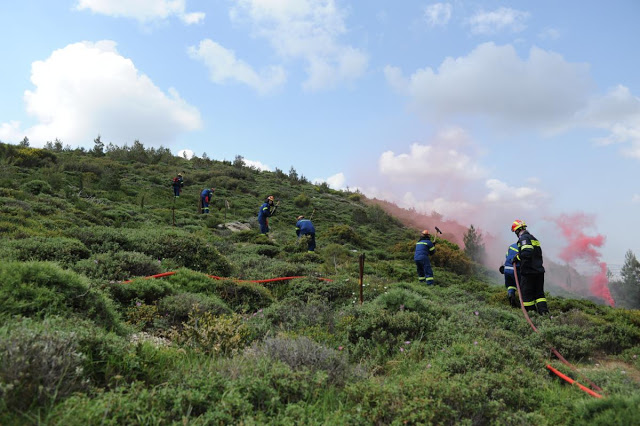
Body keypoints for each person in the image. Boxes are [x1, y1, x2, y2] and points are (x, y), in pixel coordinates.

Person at [511, 220, 548, 315]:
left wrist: (518, 257)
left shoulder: (524, 238)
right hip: (539, 271)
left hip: (529, 272)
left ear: (517, 230)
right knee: (539, 295)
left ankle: (532, 315)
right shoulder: (533, 238)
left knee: (526, 295)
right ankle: (544, 314)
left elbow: (527, 252)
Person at [499, 242, 521, 308]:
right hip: (516, 269)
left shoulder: (511, 246)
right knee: (522, 286)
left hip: (507, 269)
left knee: (510, 285)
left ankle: (511, 296)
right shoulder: (523, 248)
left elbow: (507, 256)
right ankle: (522, 304)